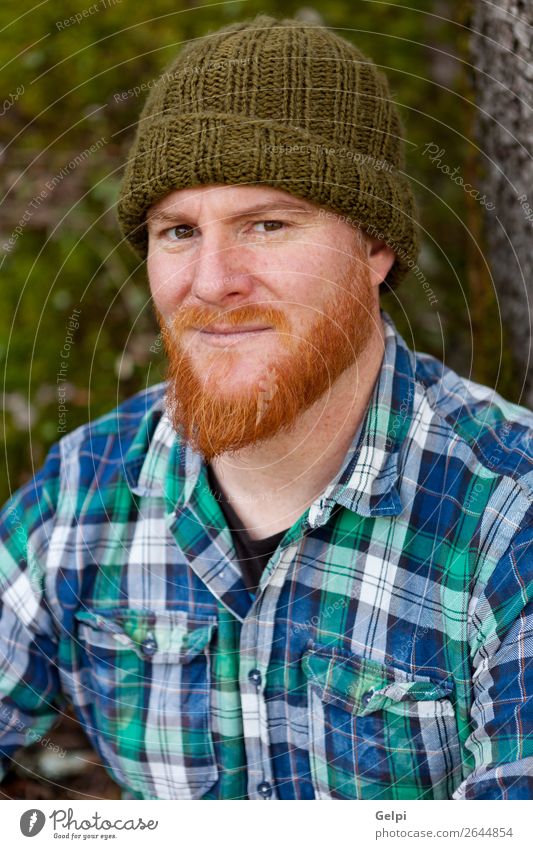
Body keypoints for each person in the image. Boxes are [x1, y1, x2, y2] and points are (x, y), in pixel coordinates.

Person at [1, 13, 532, 801]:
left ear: (374, 247)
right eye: (178, 230)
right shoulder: (86, 488)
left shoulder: (505, 515)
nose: (212, 281)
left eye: (268, 223)